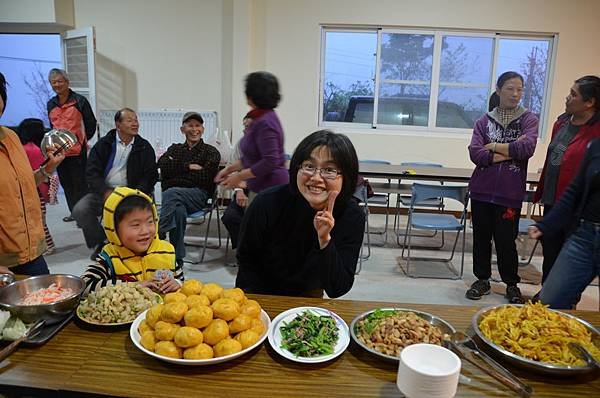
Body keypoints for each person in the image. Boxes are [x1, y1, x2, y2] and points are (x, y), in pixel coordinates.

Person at [235, 130, 365, 298]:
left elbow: (337, 288)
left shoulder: (351, 216)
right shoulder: (267, 202)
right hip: (262, 293)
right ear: (297, 168)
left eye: (329, 169)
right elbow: (246, 259)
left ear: (346, 176)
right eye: (309, 166)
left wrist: (325, 240)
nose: (316, 178)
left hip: (309, 295)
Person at [466, 71, 539, 304]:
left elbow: (526, 148)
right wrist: (508, 152)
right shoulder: (483, 121)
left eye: (519, 89)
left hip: (510, 193)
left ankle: (511, 284)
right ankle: (482, 280)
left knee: (506, 241)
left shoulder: (529, 119)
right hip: (481, 191)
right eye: (510, 88)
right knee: (481, 238)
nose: (515, 94)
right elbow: (475, 153)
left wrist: (494, 147)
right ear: (498, 91)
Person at [533, 76, 600, 292]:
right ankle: (547, 292)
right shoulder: (562, 122)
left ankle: (564, 301)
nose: (568, 97)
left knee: (569, 258)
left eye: (574, 94)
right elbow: (554, 157)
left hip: (578, 207)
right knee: (550, 252)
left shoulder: (596, 130)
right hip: (554, 200)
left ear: (589, 102)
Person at [0, 72, 65, 276]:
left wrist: (48, 168)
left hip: (30, 252)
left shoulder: (10, 136)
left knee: (49, 304)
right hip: (3, 261)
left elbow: (23, 184)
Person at [72, 108, 158, 260]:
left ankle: (131, 244)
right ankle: (103, 242)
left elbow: (150, 176)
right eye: (130, 120)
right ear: (118, 125)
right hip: (105, 192)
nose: (135, 124)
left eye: (136, 120)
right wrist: (105, 191)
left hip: (132, 193)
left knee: (135, 214)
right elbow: (92, 173)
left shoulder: (144, 147)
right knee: (81, 210)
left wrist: (135, 193)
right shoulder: (103, 144)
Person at [529, 139, 600, 309]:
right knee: (548, 302)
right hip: (585, 235)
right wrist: (546, 224)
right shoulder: (596, 145)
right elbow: (575, 188)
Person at [82, 187, 183, 295]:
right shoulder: (111, 257)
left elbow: (181, 280)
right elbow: (85, 284)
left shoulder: (166, 251)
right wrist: (131, 286)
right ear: (114, 229)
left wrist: (177, 283)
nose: (145, 231)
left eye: (150, 221)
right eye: (136, 225)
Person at [157, 112, 220, 267]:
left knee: (171, 193)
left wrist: (176, 173)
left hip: (198, 195)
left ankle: (158, 232)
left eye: (197, 125)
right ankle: (177, 259)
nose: (194, 129)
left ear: (203, 129)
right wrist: (188, 167)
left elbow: (205, 178)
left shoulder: (211, 152)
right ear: (182, 129)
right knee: (177, 210)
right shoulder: (174, 149)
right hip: (174, 198)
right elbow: (162, 167)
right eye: (190, 125)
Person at [215, 71, 289, 201]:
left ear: (251, 95)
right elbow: (251, 158)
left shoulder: (266, 122)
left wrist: (239, 177)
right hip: (261, 187)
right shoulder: (259, 118)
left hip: (271, 188)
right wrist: (228, 170)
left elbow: (270, 161)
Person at [47, 68, 97, 222]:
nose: (57, 84)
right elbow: (52, 126)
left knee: (80, 184)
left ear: (67, 82)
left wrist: (82, 140)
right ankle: (74, 212)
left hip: (77, 151)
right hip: (60, 153)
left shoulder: (80, 101)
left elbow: (91, 123)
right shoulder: (51, 104)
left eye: (60, 81)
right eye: (53, 82)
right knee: (67, 184)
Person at [17, 118, 56, 254]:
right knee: (40, 220)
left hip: (33, 190)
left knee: (38, 220)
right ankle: (48, 244)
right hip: (38, 189)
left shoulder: (27, 149)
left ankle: (48, 245)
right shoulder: (37, 148)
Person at [221, 114, 253, 255]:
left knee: (256, 218)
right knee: (230, 217)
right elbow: (231, 169)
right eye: (245, 127)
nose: (246, 131)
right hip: (244, 191)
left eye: (250, 127)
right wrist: (239, 189)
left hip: (263, 194)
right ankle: (244, 252)